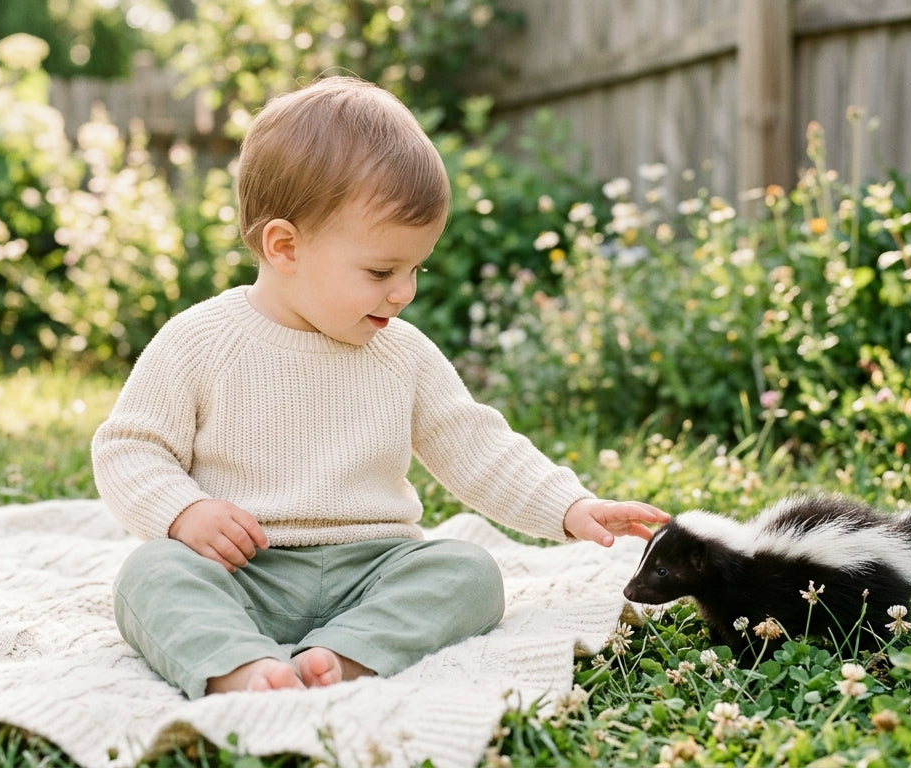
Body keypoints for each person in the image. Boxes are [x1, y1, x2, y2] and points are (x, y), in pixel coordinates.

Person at [91, 75, 669, 698]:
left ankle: (342, 659)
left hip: (372, 570)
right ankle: (241, 668)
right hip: (241, 574)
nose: (405, 292)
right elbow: (129, 448)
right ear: (284, 246)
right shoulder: (200, 340)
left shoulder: (403, 353)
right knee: (150, 573)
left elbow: (477, 447)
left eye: (415, 267)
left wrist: (569, 506)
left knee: (468, 571)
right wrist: (184, 512)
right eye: (381, 270)